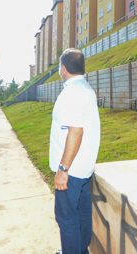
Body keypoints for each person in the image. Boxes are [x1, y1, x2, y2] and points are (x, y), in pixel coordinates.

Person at [49, 48, 101, 254]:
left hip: (71, 170)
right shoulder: (86, 88)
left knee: (66, 218)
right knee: (81, 213)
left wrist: (62, 169)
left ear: (63, 68)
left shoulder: (71, 92)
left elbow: (76, 132)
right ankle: (80, 250)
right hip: (83, 168)